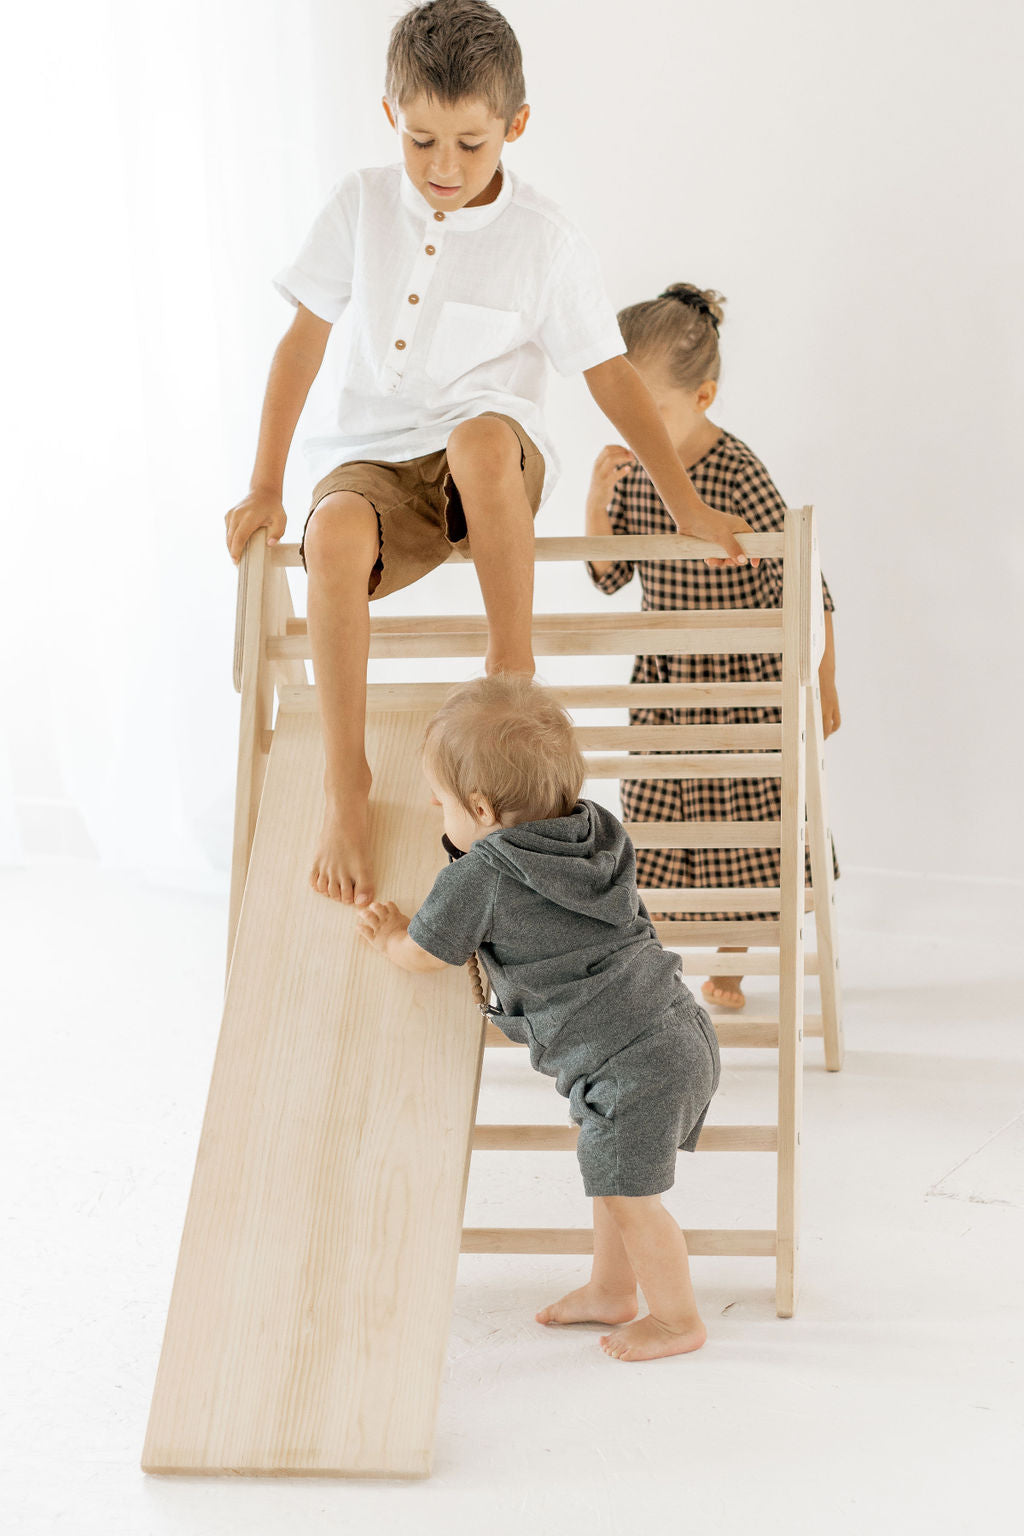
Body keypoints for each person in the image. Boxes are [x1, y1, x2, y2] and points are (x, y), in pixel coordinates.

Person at [223, 1, 752, 910]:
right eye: (422, 139)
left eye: (470, 145)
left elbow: (611, 376)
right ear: (391, 113)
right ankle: (345, 780)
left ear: (515, 126)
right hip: (381, 459)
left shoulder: (545, 240)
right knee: (336, 530)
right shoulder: (359, 206)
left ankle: (512, 669)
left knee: (475, 434)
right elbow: (302, 344)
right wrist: (267, 484)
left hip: (494, 462)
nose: (443, 168)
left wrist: (683, 501)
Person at [356, 674, 721, 1363]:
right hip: (675, 1025)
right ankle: (612, 1290)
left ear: (484, 809)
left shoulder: (483, 876)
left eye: (442, 804)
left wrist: (389, 936)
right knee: (610, 1172)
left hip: (630, 1062)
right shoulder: (595, 830)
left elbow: (424, 954)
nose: (438, 815)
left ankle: (678, 1320)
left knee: (630, 1194)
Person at [586, 283, 841, 1010]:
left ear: (702, 399)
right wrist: (598, 502)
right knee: (663, 820)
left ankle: (733, 959)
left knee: (748, 821)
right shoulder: (635, 469)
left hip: (741, 678)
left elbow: (808, 582)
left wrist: (823, 684)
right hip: (668, 685)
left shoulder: (735, 469)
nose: (637, 429)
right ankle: (655, 955)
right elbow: (610, 575)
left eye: (653, 412)